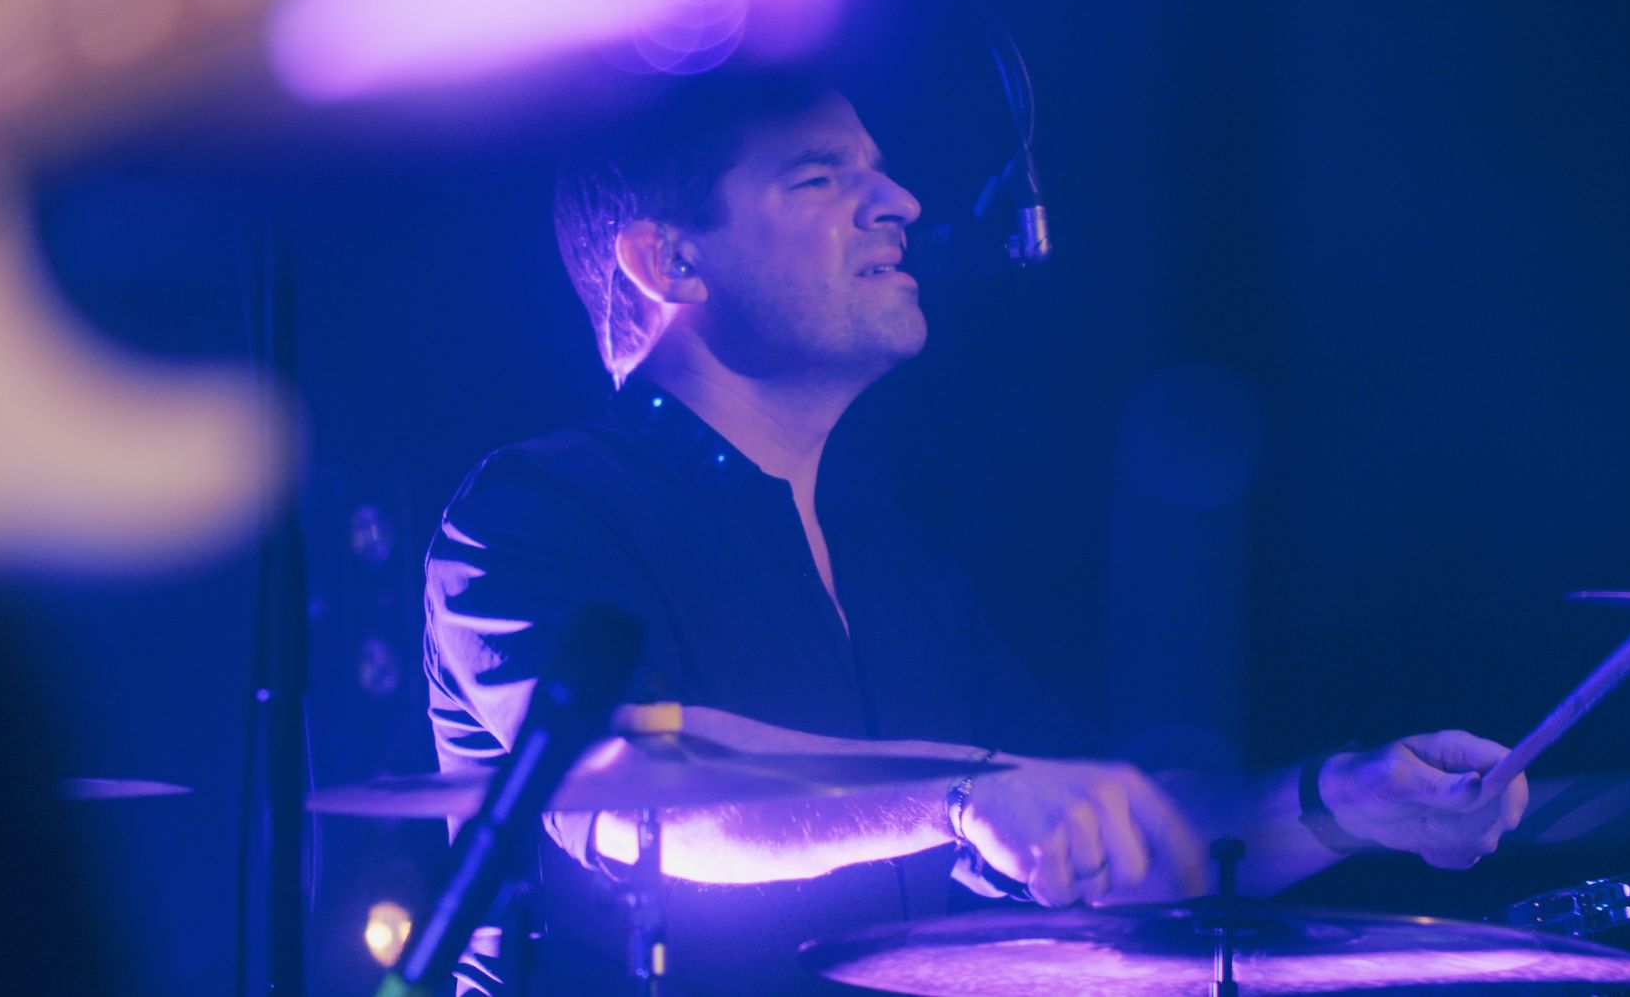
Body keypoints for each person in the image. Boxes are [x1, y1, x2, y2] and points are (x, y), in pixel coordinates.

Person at [423, 71, 1529, 994]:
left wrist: (1346, 801)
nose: (899, 200)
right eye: (818, 177)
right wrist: (961, 791)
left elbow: (1105, 831)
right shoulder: (532, 512)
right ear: (671, 262)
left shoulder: (884, 549)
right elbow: (628, 784)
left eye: (878, 169)